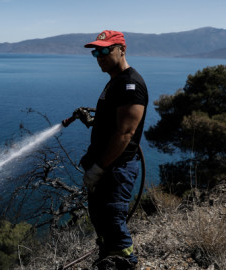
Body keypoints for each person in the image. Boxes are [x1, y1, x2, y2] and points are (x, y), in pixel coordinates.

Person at [79, 30, 148, 268]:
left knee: (113, 223)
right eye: (96, 52)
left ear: (122, 50)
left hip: (116, 170)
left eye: (106, 50)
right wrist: (91, 121)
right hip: (107, 167)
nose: (100, 56)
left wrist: (98, 168)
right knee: (103, 222)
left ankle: (125, 262)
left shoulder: (131, 84)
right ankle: (108, 260)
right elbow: (113, 123)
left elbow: (125, 133)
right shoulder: (116, 82)